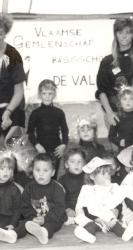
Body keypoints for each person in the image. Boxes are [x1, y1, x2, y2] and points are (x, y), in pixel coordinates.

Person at [95, 18, 133, 126]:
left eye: (127, 32)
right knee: (117, 143)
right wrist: (109, 113)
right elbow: (101, 91)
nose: (123, 36)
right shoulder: (107, 61)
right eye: (120, 32)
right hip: (115, 114)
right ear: (115, 34)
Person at [0, 153, 67, 244]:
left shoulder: (57, 188)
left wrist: (45, 219)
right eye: (37, 170)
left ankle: (44, 232)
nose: (41, 174)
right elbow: (24, 206)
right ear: (33, 171)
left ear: (52, 172)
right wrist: (32, 217)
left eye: (45, 170)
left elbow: (60, 209)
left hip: (52, 218)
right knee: (24, 223)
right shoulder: (29, 187)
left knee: (54, 223)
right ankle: (12, 235)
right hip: (34, 218)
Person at [74, 156, 133, 244]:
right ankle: (88, 236)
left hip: (108, 217)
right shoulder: (87, 189)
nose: (107, 176)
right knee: (90, 226)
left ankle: (126, 234)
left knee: (116, 225)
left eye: (108, 173)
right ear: (93, 176)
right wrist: (98, 220)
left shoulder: (113, 187)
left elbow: (118, 201)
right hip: (93, 219)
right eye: (103, 174)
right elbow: (85, 209)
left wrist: (115, 214)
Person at [27, 79, 69, 179]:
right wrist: (37, 146)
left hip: (56, 150)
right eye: (44, 93)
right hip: (41, 149)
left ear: (54, 94)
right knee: (41, 175)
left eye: (50, 93)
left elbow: (65, 130)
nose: (47, 96)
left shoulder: (59, 112)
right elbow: (30, 132)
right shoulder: (35, 113)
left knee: (53, 175)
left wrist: (64, 144)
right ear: (40, 94)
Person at [0, 14, 26, 146]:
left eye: (0, 33)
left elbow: (19, 91)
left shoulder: (13, 54)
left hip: (13, 111)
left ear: (5, 33)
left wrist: (7, 113)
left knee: (13, 154)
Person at [58, 145, 86, 225]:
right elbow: (59, 198)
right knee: (61, 217)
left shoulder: (88, 178)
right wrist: (67, 209)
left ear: (84, 164)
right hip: (69, 209)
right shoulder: (62, 179)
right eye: (72, 162)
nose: (76, 165)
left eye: (79, 162)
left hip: (84, 210)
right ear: (66, 164)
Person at [0, 152, 22, 244]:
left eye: (9, 169)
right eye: (2, 168)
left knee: (22, 226)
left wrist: (12, 224)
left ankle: (11, 234)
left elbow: (18, 209)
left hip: (10, 218)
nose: (6, 172)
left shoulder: (14, 189)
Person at [108, 86, 133, 150]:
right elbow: (111, 136)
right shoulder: (117, 118)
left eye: (131, 98)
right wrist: (119, 141)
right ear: (120, 103)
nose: (128, 101)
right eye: (124, 99)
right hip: (124, 149)